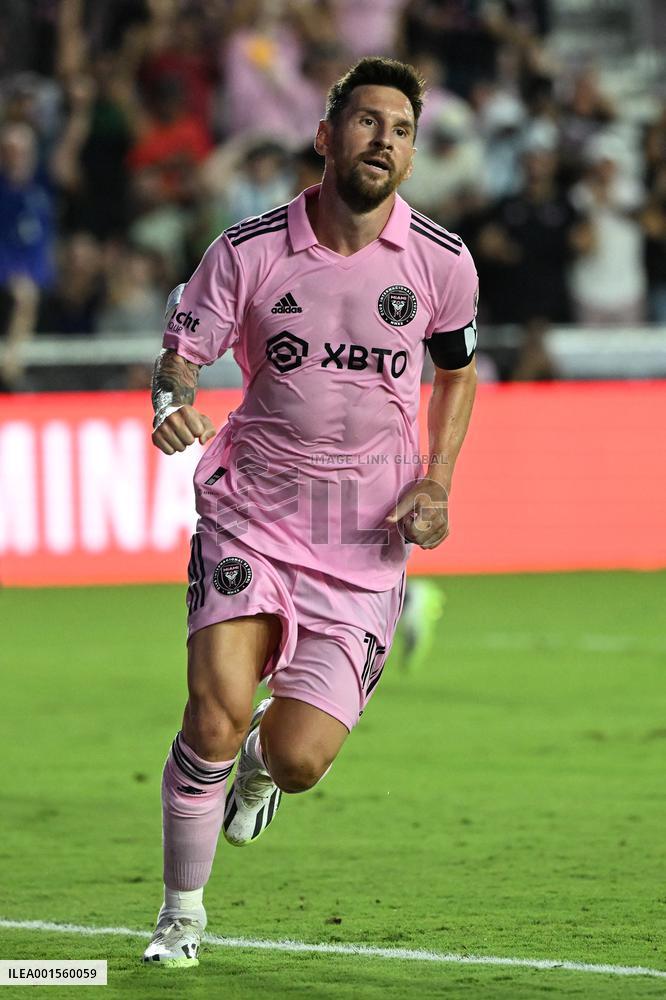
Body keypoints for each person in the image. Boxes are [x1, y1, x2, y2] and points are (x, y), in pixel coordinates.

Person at [143, 56, 479, 968]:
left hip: (362, 540)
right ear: (326, 136)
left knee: (297, 756)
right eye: (368, 122)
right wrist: (171, 398)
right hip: (251, 511)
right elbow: (181, 352)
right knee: (211, 714)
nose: (385, 140)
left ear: (411, 156)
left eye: (402, 130)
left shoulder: (443, 264)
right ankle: (180, 920)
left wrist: (436, 480)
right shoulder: (248, 248)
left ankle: (261, 770)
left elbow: (455, 373)